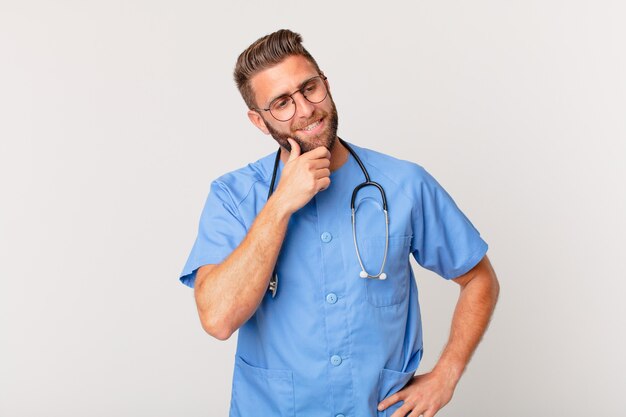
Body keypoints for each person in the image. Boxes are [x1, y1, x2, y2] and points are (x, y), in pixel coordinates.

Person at [179, 29, 500, 417]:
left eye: (309, 88)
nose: (305, 109)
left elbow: (478, 278)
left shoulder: (405, 184)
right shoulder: (233, 196)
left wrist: (447, 374)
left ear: (325, 84)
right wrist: (280, 205)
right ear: (259, 121)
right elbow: (217, 319)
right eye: (281, 103)